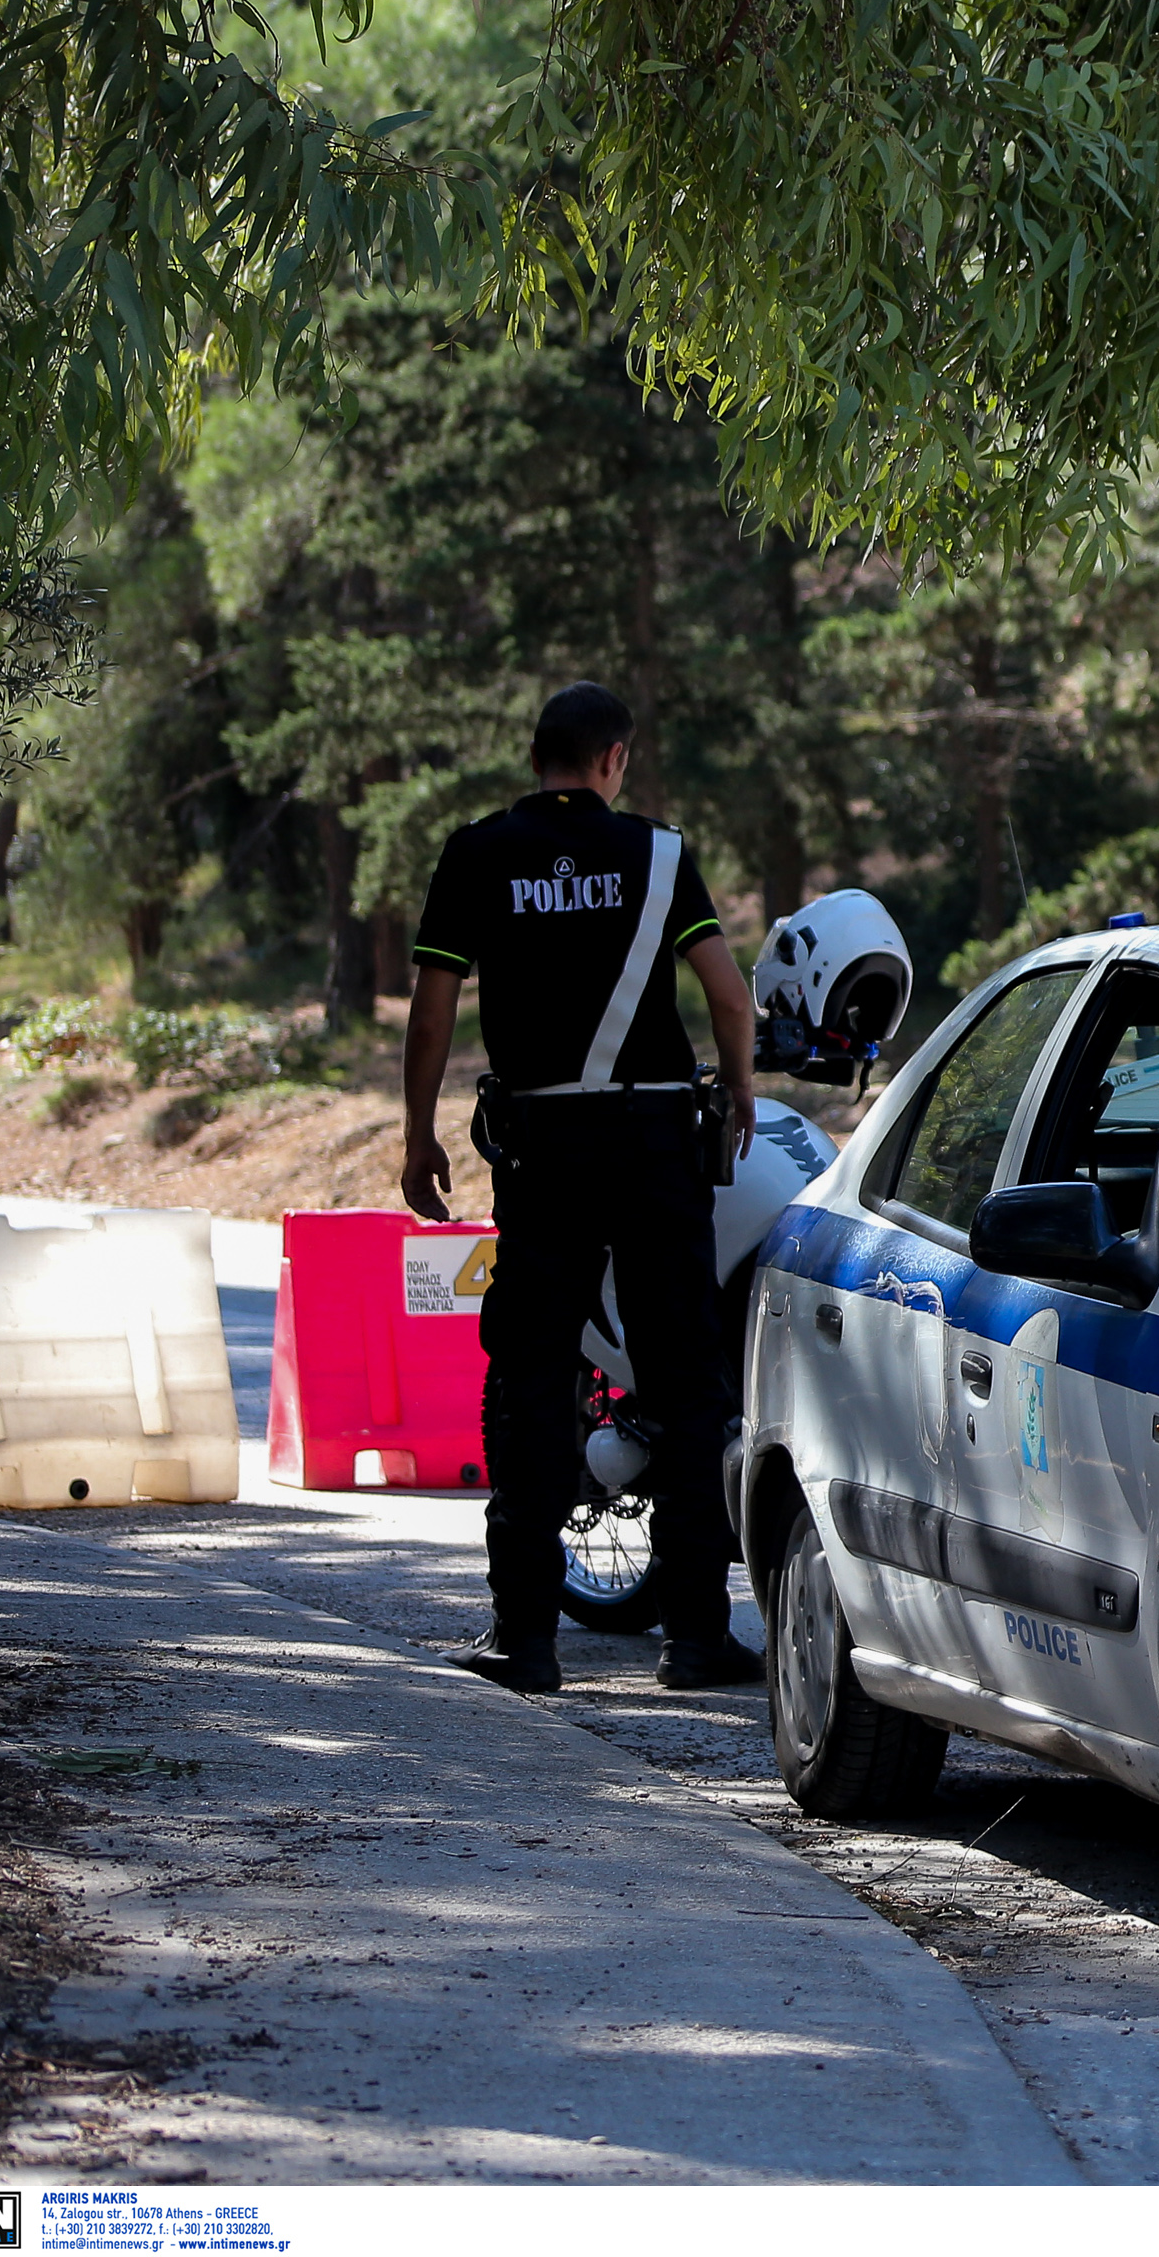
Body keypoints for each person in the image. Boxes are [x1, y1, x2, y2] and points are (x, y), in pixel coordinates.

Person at [400, 682, 762, 1694]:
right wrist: (737, 1091)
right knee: (687, 1382)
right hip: (653, 1140)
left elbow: (432, 1015)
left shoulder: (477, 851)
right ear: (613, 758)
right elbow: (727, 993)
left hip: (545, 1145)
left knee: (529, 1374)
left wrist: (417, 1130)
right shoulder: (659, 853)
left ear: (537, 757)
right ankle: (694, 1635)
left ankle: (526, 1638)